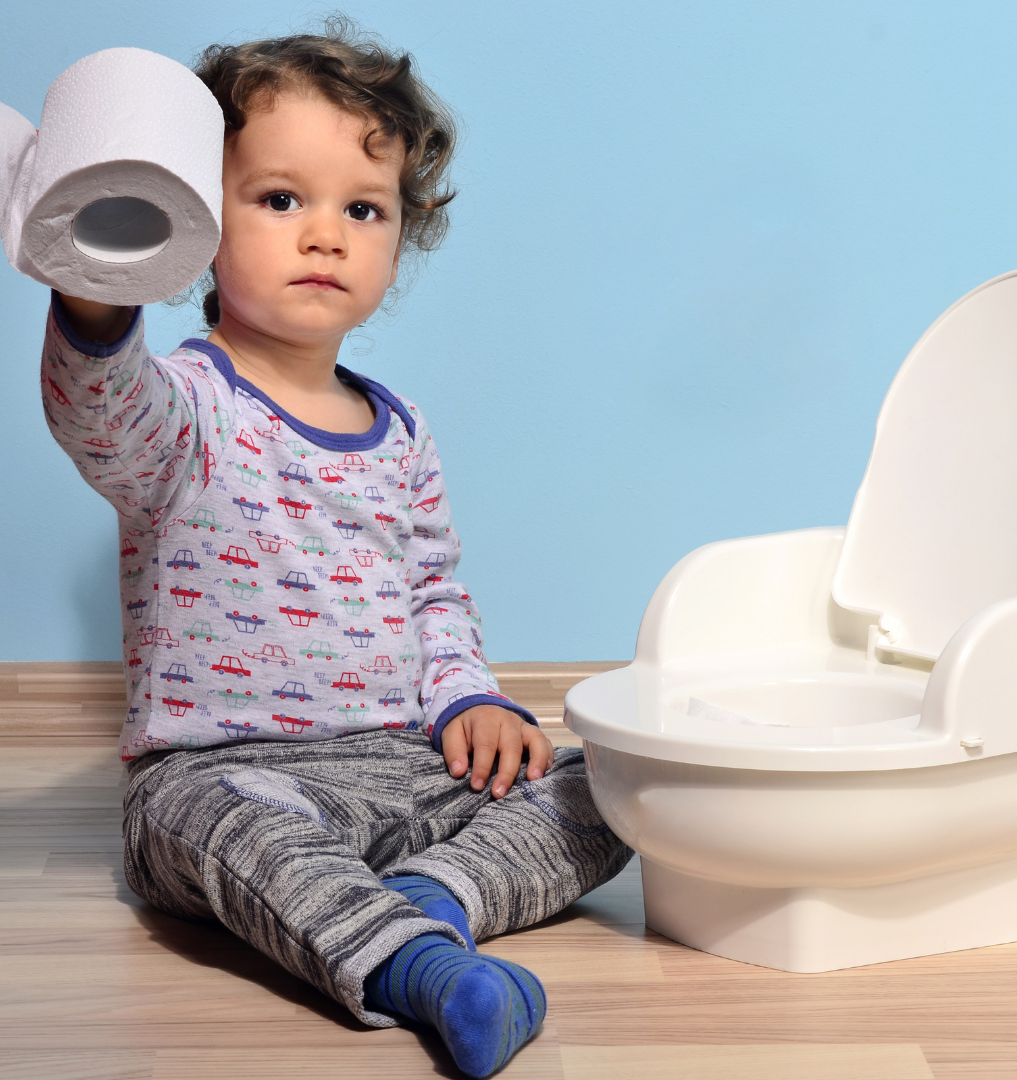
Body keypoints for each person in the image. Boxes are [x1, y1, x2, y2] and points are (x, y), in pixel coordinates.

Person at [41, 25, 631, 1079]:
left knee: (619, 789)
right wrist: (95, 283)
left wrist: (470, 700)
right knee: (218, 833)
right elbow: (102, 417)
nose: (326, 234)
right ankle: (421, 968)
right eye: (279, 199)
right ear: (196, 221)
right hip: (226, 772)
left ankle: (434, 895)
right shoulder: (186, 406)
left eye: (363, 208)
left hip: (399, 766)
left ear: (400, 236)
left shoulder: (399, 429)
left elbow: (433, 591)